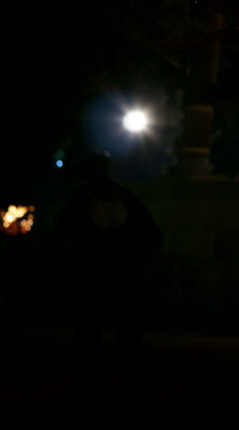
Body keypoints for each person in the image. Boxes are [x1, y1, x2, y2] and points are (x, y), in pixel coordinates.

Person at [57, 152, 162, 391]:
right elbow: (154, 237)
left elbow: (61, 229)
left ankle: (89, 379)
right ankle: (131, 378)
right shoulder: (127, 197)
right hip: (124, 275)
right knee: (127, 327)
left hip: (89, 276)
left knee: (88, 330)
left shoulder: (80, 198)